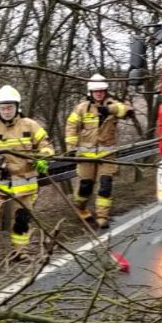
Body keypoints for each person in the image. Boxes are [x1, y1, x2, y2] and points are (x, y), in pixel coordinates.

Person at [0, 85, 55, 262]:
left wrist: (41, 159)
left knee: (21, 220)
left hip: (25, 183)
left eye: (10, 107)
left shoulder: (30, 125)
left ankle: (20, 253)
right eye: (3, 108)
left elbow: (48, 148)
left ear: (17, 107)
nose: (6, 111)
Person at [64, 73, 132, 229]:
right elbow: (71, 127)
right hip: (86, 157)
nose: (99, 93)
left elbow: (128, 111)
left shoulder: (113, 105)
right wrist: (71, 147)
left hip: (107, 156)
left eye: (101, 90)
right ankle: (80, 207)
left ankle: (102, 216)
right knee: (85, 187)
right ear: (91, 92)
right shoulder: (82, 108)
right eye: (96, 91)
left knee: (105, 185)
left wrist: (111, 109)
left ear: (106, 91)